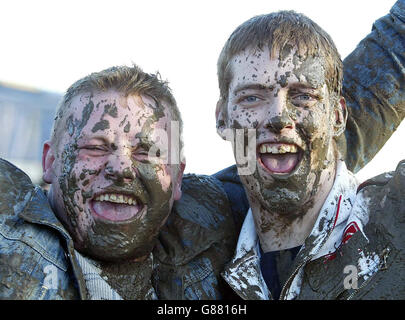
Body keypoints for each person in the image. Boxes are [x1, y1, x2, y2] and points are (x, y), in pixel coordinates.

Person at [0, 65, 238, 299]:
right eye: (95, 148)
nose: (121, 168)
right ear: (50, 162)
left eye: (145, 152)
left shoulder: (220, 228)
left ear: (177, 178)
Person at [214, 6, 404, 300]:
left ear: (338, 116)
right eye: (251, 97)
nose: (279, 117)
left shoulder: (396, 221)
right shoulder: (190, 245)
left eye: (303, 96)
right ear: (222, 119)